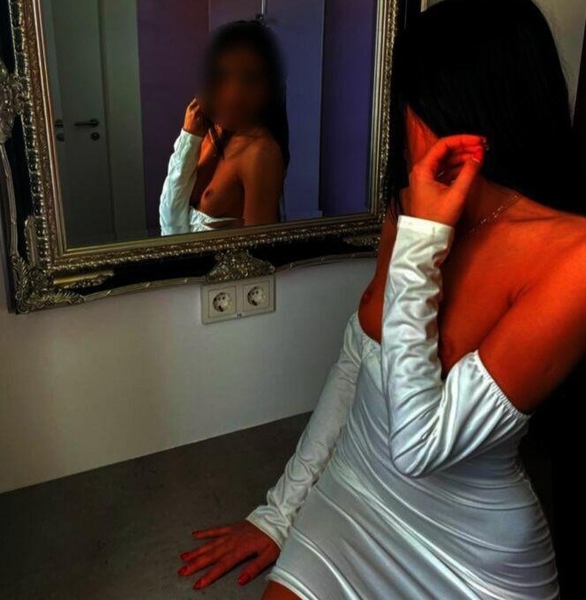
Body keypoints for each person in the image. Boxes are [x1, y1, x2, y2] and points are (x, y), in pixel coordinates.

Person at [178, 0, 585, 597]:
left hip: (470, 555)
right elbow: (357, 363)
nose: (402, 121)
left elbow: (419, 445)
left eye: (408, 100)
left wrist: (423, 242)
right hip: (351, 497)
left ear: (458, 105)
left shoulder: (572, 259)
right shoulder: (409, 206)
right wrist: (279, 512)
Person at [159, 20, 289, 235]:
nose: (234, 94)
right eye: (223, 75)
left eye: (251, 79)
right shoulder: (208, 132)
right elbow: (170, 217)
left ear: (270, 87)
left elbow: (259, 247)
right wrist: (188, 138)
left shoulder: (260, 152)